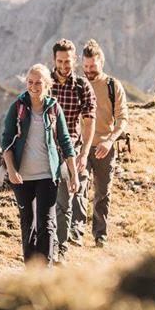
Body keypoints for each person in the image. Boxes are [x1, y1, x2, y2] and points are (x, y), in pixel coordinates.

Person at [0, 64, 78, 265]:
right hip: (22, 177)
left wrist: (74, 174)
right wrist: (11, 170)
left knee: (46, 224)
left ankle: (44, 271)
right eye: (30, 82)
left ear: (47, 85)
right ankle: (30, 273)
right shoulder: (17, 107)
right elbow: (6, 141)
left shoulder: (54, 107)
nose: (33, 86)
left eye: (38, 83)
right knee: (27, 224)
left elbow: (65, 142)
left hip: (48, 175)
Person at [50, 39, 96, 254]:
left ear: (74, 60)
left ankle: (61, 248)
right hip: (46, 149)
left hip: (71, 150)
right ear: (54, 60)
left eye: (68, 61)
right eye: (60, 61)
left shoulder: (81, 86)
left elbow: (89, 120)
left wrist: (84, 154)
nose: (64, 66)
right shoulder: (45, 82)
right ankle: (44, 244)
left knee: (64, 199)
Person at [82, 39, 128, 247]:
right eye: (85, 66)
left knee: (102, 193)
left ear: (101, 63)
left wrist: (109, 142)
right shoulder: (78, 85)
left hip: (104, 147)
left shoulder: (112, 86)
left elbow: (122, 118)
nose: (89, 70)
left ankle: (100, 235)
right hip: (80, 147)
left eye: (92, 66)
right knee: (78, 188)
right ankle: (75, 232)